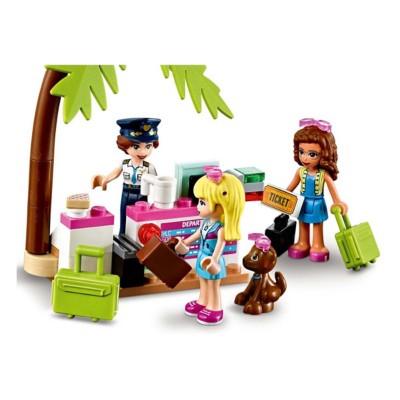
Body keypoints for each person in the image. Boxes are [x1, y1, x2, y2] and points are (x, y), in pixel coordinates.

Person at [179, 167, 245, 325]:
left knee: (213, 284)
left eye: (202, 202)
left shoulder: (220, 229)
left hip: (211, 260)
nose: (198, 206)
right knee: (202, 280)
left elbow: (220, 245)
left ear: (222, 205)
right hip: (202, 256)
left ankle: (215, 308)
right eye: (199, 201)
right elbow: (197, 235)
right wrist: (184, 242)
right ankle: (202, 301)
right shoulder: (205, 222)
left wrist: (214, 260)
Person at [286, 118, 348, 262]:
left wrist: (338, 202)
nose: (305, 158)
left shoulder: (323, 174)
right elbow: (290, 188)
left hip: (317, 203)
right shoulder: (300, 172)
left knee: (317, 225)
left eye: (312, 154)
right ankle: (303, 243)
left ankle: (318, 245)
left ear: (324, 154)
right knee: (302, 222)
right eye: (302, 152)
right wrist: (280, 196)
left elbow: (333, 191)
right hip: (302, 202)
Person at [92, 118, 160, 235]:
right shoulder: (124, 164)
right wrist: (105, 180)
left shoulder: (149, 167)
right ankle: (122, 235)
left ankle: (136, 237)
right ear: (125, 145)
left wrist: (158, 199)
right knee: (123, 215)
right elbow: (115, 173)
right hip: (126, 192)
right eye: (136, 147)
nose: (143, 152)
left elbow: (157, 183)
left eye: (148, 146)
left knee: (140, 219)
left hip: (141, 195)